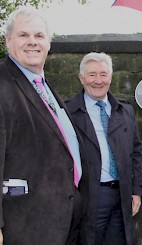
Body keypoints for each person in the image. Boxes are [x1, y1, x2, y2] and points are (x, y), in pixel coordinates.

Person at [0, 6, 88, 245]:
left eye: (39, 36)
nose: (32, 42)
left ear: (48, 43)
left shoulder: (43, 85)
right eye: (23, 35)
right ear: (8, 41)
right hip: (23, 224)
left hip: (61, 220)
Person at [65, 52, 142, 245]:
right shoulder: (66, 112)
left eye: (103, 74)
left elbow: (135, 152)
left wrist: (136, 190)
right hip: (89, 196)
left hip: (122, 195)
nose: (98, 81)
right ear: (81, 78)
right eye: (92, 75)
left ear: (111, 77)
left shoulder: (125, 110)